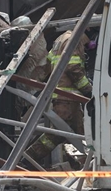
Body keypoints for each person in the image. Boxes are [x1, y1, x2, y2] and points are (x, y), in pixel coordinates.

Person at [23, 30, 93, 167]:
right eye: (88, 42)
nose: (87, 45)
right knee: (63, 134)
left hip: (63, 96)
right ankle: (26, 161)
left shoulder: (61, 39)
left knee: (78, 133)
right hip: (68, 98)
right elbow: (73, 67)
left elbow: (49, 65)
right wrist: (88, 90)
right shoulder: (74, 39)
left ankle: (87, 164)